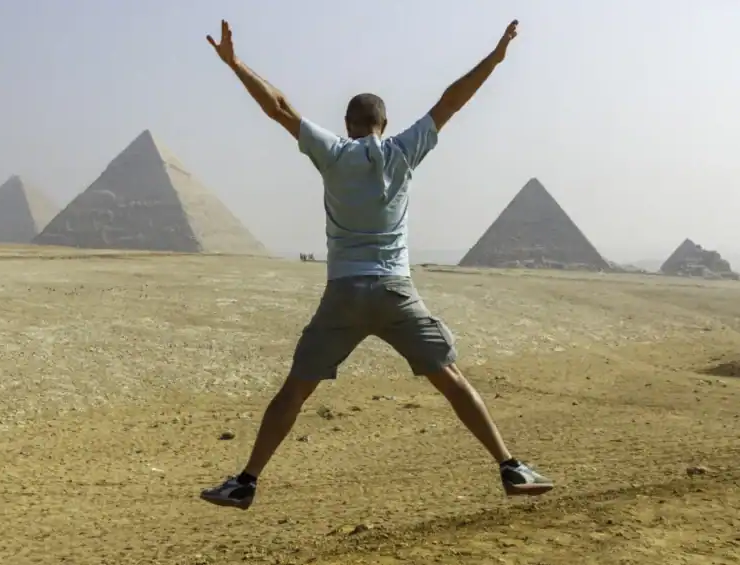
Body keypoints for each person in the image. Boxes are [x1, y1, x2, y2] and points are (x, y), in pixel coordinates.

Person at [200, 19, 554, 511]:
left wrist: (235, 64)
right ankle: (509, 466)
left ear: (347, 126)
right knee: (451, 379)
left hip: (344, 292)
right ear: (384, 126)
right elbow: (451, 101)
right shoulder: (403, 152)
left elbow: (277, 107)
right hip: (394, 291)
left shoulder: (332, 153)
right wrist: (494, 59)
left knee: (295, 391)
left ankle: (246, 481)